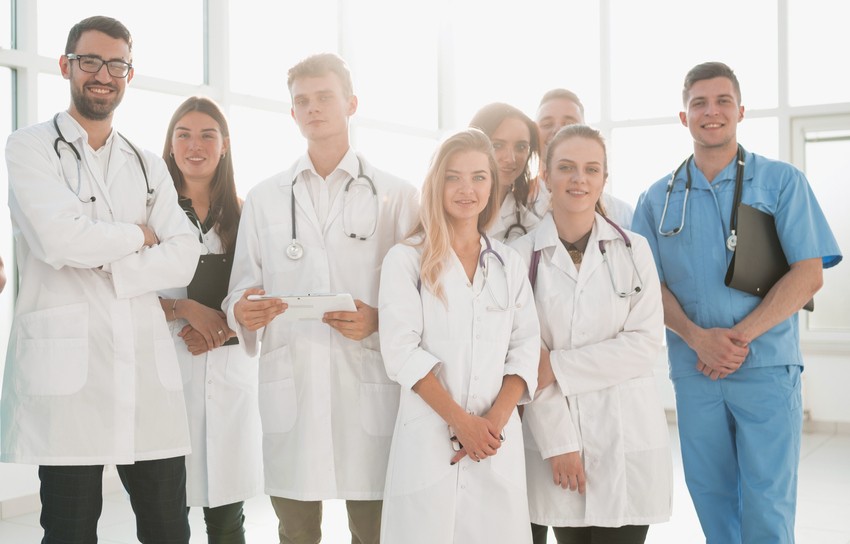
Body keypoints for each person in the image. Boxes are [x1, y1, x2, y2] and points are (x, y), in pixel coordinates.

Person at [1, 16, 200, 543]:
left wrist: (98, 246)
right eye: (90, 61)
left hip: (145, 380)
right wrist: (139, 235)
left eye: (117, 64)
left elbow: (184, 256)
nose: (102, 75)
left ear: (129, 75)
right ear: (67, 66)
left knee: (168, 531)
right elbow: (57, 240)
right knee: (69, 531)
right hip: (70, 384)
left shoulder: (147, 163)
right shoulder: (29, 146)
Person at [632, 61, 842, 544]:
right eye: (699, 103)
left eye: (723, 101)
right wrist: (697, 339)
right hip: (696, 370)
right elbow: (646, 287)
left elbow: (808, 275)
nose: (712, 112)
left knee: (768, 501)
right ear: (683, 118)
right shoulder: (656, 199)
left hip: (765, 366)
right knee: (711, 497)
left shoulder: (781, 182)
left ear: (741, 111)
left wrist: (736, 339)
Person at [222, 53, 419, 544]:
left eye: (324, 97)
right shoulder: (267, 196)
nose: (313, 109)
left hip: (369, 377)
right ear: (292, 114)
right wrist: (241, 310)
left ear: (351, 103)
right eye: (302, 101)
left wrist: (379, 320)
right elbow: (241, 286)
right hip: (295, 382)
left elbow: (419, 294)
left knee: (375, 531)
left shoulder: (396, 194)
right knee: (295, 530)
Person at [378, 128, 540, 543]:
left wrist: (492, 423)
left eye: (479, 177)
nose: (467, 189)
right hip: (430, 441)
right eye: (453, 177)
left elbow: (524, 350)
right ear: (436, 183)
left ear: (493, 185)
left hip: (493, 441)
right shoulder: (406, 260)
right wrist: (460, 422)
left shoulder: (508, 264)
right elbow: (401, 352)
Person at [513, 124, 672, 544]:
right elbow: (526, 359)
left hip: (627, 438)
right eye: (565, 167)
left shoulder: (634, 249)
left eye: (591, 169)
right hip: (557, 443)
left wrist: (558, 366)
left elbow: (643, 345)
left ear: (604, 178)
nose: (578, 179)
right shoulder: (519, 259)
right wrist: (559, 444)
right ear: (545, 177)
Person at [159, 96, 262, 544]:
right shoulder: (151, 212)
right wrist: (185, 311)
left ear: (225, 146)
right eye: (183, 134)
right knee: (165, 515)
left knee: (226, 518)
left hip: (228, 375)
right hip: (165, 372)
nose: (194, 145)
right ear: (170, 144)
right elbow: (120, 291)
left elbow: (261, 294)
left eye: (207, 135)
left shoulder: (245, 215)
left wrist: (219, 333)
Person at [535, 89, 634, 227]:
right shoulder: (514, 208)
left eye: (569, 124)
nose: (558, 130)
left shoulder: (622, 214)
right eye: (546, 124)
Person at [469, 102, 542, 243]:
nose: (510, 158)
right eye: (497, 145)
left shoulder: (530, 226)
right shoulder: (441, 209)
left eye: (521, 147)